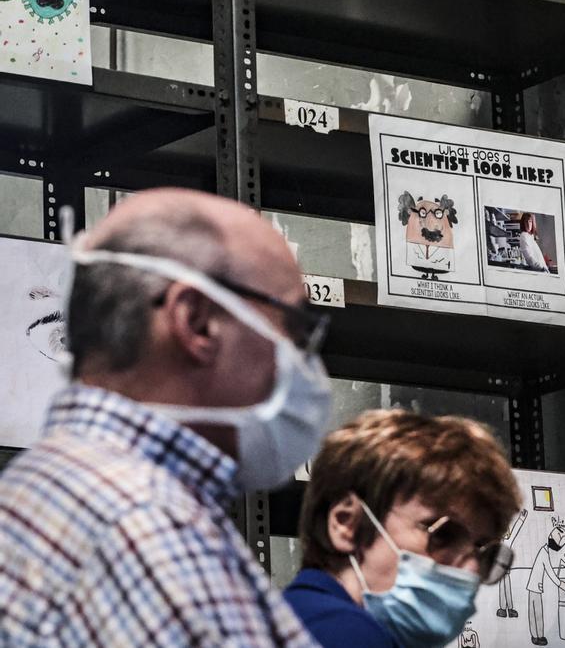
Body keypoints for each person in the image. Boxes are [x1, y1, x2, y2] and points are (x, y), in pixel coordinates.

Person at [0, 189, 332, 645]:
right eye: (294, 325)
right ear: (196, 322)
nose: (304, 359)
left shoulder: (49, 488)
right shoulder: (150, 528)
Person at [284, 409, 522, 648]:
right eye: (444, 535)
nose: (471, 571)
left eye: (485, 555)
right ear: (347, 524)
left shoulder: (296, 617)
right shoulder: (345, 633)